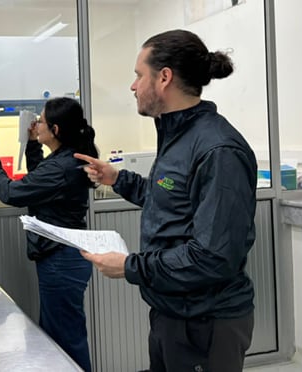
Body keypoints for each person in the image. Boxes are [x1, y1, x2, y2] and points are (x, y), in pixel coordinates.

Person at [75, 29, 257, 372]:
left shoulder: (218, 150)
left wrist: (130, 267)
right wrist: (117, 179)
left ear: (163, 78)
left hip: (206, 322)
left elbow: (213, 257)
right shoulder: (177, 135)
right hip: (172, 312)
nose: (133, 86)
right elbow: (171, 202)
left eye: (138, 75)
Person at [0, 97, 98, 371]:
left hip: (61, 260)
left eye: (41, 121)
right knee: (61, 334)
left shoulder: (61, 167)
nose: (36, 123)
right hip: (64, 256)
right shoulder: (64, 160)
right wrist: (33, 144)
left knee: (65, 338)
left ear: (55, 130)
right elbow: (40, 181)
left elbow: (11, 193)